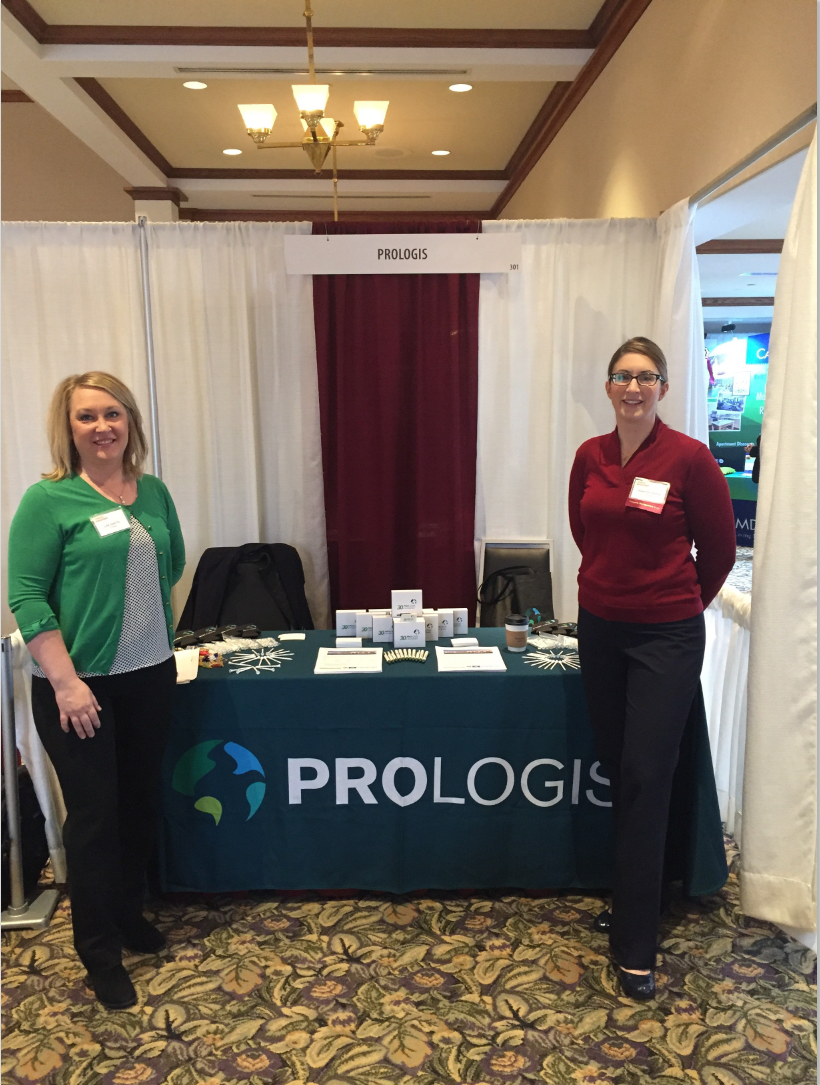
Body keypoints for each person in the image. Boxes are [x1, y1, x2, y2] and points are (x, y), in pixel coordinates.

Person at [8, 372, 185, 1011]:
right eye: (87, 416)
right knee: (93, 819)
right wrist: (67, 682)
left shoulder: (152, 490)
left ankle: (129, 913)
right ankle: (99, 952)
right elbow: (26, 596)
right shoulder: (48, 499)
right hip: (78, 688)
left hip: (150, 675)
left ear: (130, 421)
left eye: (113, 413)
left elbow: (173, 563)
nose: (102, 427)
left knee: (139, 803)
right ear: (69, 428)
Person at [568, 337, 735, 1001]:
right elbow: (585, 532)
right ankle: (647, 894)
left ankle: (636, 943)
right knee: (621, 767)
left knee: (646, 773)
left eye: (646, 376)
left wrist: (674, 602)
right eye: (622, 376)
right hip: (600, 628)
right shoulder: (590, 455)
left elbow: (719, 552)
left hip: (666, 636)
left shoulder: (690, 458)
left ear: (663, 386)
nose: (633, 387)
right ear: (608, 386)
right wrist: (610, 590)